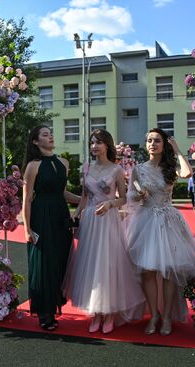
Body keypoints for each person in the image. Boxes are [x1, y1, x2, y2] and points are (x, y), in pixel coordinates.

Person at [63, 129, 145, 334]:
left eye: (98, 142)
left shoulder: (117, 170)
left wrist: (110, 204)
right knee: (91, 266)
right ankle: (96, 313)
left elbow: (123, 199)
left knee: (108, 265)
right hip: (90, 221)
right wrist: (76, 216)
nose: (94, 146)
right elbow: (83, 197)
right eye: (92, 142)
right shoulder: (86, 168)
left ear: (107, 145)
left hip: (108, 220)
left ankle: (109, 314)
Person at [126, 128, 195, 336]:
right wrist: (138, 196)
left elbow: (187, 173)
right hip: (146, 221)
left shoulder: (170, 167)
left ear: (163, 145)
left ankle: (167, 316)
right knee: (148, 272)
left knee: (169, 272)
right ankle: (154, 315)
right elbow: (129, 195)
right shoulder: (138, 169)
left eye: (157, 140)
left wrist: (176, 149)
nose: (152, 143)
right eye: (149, 140)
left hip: (168, 222)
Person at [22, 125, 80, 331]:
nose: (50, 137)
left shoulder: (64, 163)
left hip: (60, 217)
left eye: (51, 134)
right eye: (45, 135)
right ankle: (45, 313)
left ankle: (56, 302)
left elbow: (64, 193)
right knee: (44, 264)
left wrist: (88, 200)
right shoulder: (33, 166)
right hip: (41, 217)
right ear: (36, 142)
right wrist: (27, 229)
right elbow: (27, 200)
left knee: (61, 260)